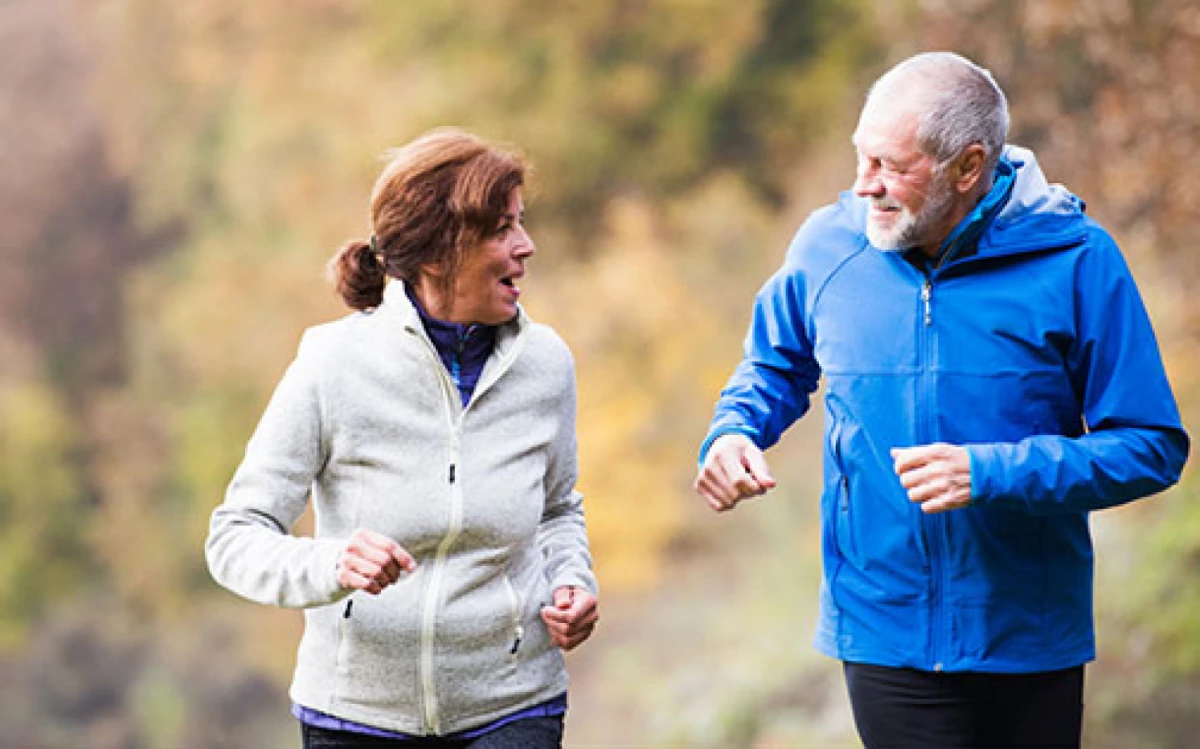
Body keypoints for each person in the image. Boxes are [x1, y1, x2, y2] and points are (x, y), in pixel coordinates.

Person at [693, 52, 1188, 748]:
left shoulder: (1079, 260)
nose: (864, 187)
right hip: (881, 626)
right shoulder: (827, 246)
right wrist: (733, 430)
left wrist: (991, 472)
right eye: (860, 159)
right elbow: (773, 365)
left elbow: (1150, 444)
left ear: (968, 166)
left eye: (890, 166)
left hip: (1030, 635)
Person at [205, 128, 598, 748]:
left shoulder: (546, 365)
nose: (527, 246)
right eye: (501, 229)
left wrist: (571, 583)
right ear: (439, 251)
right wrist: (332, 563)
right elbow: (234, 538)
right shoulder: (331, 364)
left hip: (514, 705)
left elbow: (557, 511)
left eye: (520, 223)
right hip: (356, 715)